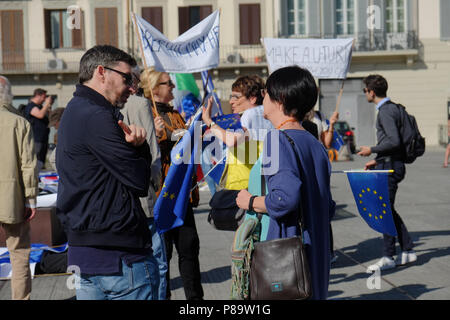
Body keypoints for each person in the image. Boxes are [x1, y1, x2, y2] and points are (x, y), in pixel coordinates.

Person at [56, 45, 159, 300]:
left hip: (87, 255)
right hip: (120, 258)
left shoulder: (74, 110)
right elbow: (138, 182)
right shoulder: (97, 116)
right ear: (101, 72)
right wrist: (141, 147)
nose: (132, 87)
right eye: (127, 78)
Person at [235, 66, 336, 300]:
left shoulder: (276, 140)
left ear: (279, 99)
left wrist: (249, 201)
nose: (262, 98)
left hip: (285, 257)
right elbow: (327, 205)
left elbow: (283, 199)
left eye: (266, 92)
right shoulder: (316, 144)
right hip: (315, 253)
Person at [140, 67, 203, 300]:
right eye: (168, 83)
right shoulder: (145, 113)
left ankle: (196, 301)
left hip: (182, 192)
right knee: (162, 253)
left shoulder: (175, 114)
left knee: (189, 248)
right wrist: (153, 137)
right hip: (161, 193)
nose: (173, 87)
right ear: (155, 88)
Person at [358, 74, 416, 270]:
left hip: (390, 168)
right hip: (390, 163)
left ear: (371, 92)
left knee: (383, 211)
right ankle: (407, 249)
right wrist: (377, 160)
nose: (365, 93)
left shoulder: (385, 111)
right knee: (387, 209)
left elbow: (393, 141)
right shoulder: (395, 108)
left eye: (365, 90)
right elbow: (394, 144)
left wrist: (371, 150)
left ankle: (388, 256)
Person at [119, 66, 168, 300]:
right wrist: (155, 183)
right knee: (156, 260)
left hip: (121, 197)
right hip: (143, 192)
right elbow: (152, 150)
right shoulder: (138, 104)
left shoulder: (105, 105)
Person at [0, 75, 38, 300]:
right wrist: (31, 200)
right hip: (12, 198)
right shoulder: (19, 122)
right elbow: (29, 165)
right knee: (20, 254)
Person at [202, 75, 273, 190]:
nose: (231, 101)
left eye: (236, 97)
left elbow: (232, 141)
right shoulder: (264, 114)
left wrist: (210, 123)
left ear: (252, 98)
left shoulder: (251, 115)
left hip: (246, 186)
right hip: (254, 184)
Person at [24, 88, 54, 171]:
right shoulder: (31, 106)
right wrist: (46, 104)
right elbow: (40, 115)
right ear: (38, 95)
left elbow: (50, 117)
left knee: (41, 162)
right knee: (36, 161)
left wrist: (48, 106)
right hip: (36, 139)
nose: (45, 99)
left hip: (43, 139)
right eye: (44, 97)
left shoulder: (41, 107)